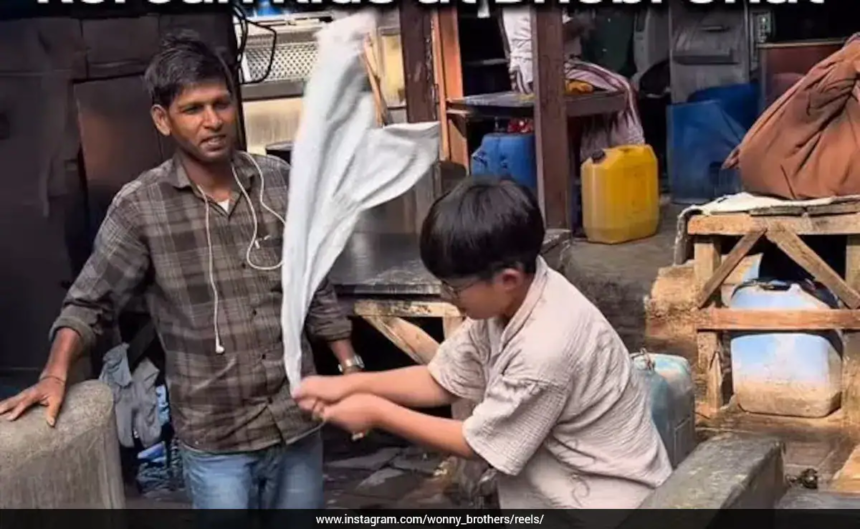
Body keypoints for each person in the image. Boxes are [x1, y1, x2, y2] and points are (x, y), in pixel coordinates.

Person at [0, 32, 363, 510]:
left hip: (297, 421)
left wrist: (351, 369)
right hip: (217, 440)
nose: (212, 121)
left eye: (221, 104)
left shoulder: (277, 181)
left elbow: (314, 284)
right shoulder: (140, 207)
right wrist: (54, 374)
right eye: (193, 109)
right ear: (162, 120)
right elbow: (90, 301)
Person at [294, 178, 672, 510]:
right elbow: (443, 380)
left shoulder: (548, 344)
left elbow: (480, 444)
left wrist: (378, 412)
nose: (447, 297)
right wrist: (349, 383)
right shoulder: (509, 301)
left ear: (507, 278)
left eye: (454, 288)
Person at [501, 7, 645, 157]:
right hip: (546, 70)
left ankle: (598, 159)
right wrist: (582, 21)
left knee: (603, 97)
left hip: (525, 73)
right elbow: (552, 34)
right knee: (622, 89)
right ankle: (628, 154)